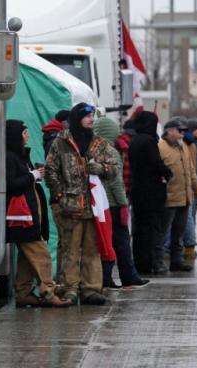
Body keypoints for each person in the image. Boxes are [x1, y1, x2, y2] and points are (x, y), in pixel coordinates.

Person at [45, 103, 118, 306]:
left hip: (93, 207)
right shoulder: (61, 142)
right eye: (86, 116)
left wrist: (100, 168)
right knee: (70, 249)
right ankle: (70, 289)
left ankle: (91, 289)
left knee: (91, 249)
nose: (91, 119)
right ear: (77, 118)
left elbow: (114, 169)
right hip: (70, 206)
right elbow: (50, 171)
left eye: (92, 116)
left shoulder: (100, 143)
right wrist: (60, 196)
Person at [5, 120, 72, 308]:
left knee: (26, 258)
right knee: (41, 255)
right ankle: (48, 292)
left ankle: (23, 292)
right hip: (22, 218)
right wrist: (32, 176)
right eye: (24, 132)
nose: (27, 135)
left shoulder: (18, 156)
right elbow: (10, 184)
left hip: (26, 218)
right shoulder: (10, 158)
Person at [93, 117, 150, 289]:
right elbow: (116, 182)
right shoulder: (111, 151)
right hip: (114, 204)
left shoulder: (93, 149)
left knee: (105, 242)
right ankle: (128, 276)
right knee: (122, 242)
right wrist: (123, 203)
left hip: (100, 204)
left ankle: (105, 277)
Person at [128, 111, 172, 274]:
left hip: (138, 191)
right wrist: (168, 173)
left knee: (139, 230)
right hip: (151, 193)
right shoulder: (148, 141)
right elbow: (156, 163)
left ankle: (140, 263)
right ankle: (147, 264)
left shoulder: (134, 140)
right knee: (151, 230)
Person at [158, 118, 197, 272]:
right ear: (169, 131)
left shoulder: (182, 146)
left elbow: (191, 171)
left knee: (179, 233)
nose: (183, 134)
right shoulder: (160, 147)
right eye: (180, 131)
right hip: (169, 199)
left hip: (185, 198)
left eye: (184, 131)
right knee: (163, 233)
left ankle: (176, 261)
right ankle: (158, 261)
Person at [182, 119, 197, 260]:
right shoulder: (185, 144)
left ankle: (189, 245)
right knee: (188, 217)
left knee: (192, 217)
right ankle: (188, 245)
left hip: (195, 186)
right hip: (187, 187)